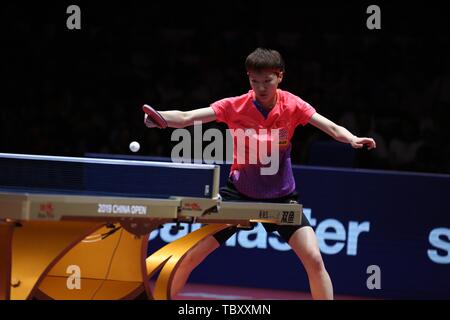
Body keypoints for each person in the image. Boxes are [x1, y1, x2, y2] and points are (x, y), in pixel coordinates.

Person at [144, 48, 376, 300]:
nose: (261, 87)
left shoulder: (293, 105)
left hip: (282, 199)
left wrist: (352, 138)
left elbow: (329, 126)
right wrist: (161, 119)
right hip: (238, 196)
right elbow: (188, 117)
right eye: (255, 81)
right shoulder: (234, 106)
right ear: (248, 78)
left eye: (267, 81)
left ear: (280, 77)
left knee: (314, 259)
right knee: (190, 256)